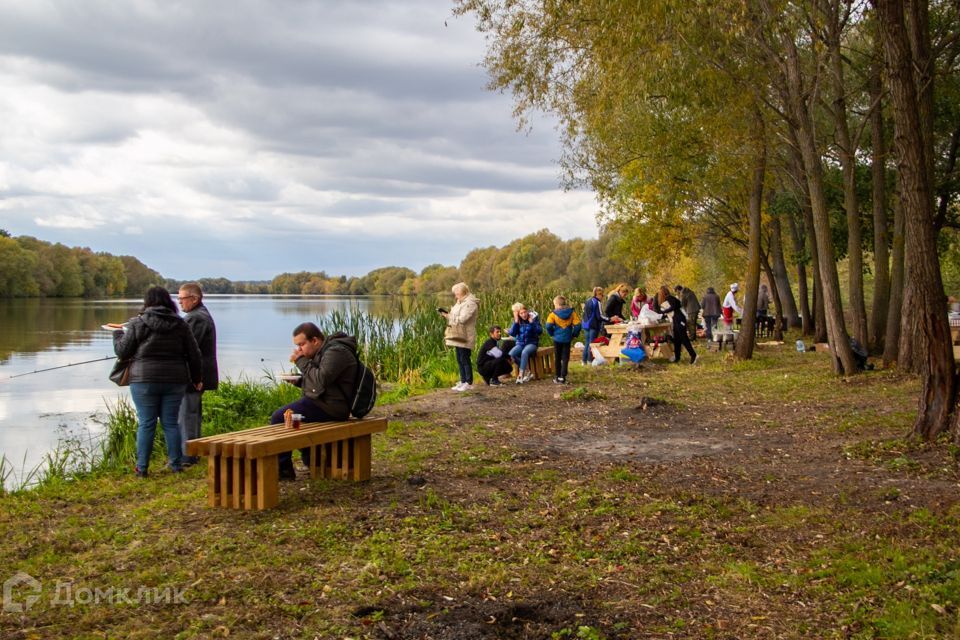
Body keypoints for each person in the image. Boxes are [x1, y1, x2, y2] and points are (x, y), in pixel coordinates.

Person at [113, 286, 202, 477]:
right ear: (168, 302)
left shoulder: (138, 323)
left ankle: (142, 468)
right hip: (175, 380)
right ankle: (176, 464)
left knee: (146, 423)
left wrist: (118, 334)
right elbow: (194, 354)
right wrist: (197, 379)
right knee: (171, 423)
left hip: (144, 380)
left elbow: (122, 351)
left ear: (147, 302)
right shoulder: (180, 324)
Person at [272, 322, 359, 480]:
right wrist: (299, 381)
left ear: (315, 341)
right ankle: (311, 460)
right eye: (297, 346)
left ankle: (283, 470)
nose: (299, 350)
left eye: (302, 344)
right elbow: (321, 383)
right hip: (326, 402)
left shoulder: (336, 352)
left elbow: (320, 380)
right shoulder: (325, 351)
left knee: (279, 417)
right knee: (295, 419)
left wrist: (300, 361)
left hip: (332, 407)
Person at [176, 282, 218, 466]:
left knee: (188, 414)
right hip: (197, 373)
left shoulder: (196, 318)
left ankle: (188, 456)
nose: (180, 303)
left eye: (182, 299)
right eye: (178, 299)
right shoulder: (197, 315)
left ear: (194, 299)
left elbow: (188, 348)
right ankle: (193, 452)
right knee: (190, 413)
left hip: (194, 374)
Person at [440, 282, 479, 392]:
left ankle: (469, 382)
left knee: (465, 358)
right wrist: (447, 315)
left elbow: (463, 319)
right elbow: (455, 316)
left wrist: (449, 316)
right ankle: (463, 381)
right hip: (457, 333)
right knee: (459, 358)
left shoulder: (470, 303)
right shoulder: (459, 302)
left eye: (456, 294)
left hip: (466, 334)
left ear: (462, 293)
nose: (455, 296)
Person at [655, 285, 697, 364]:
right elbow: (673, 309)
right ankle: (677, 357)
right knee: (677, 340)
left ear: (662, 293)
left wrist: (663, 312)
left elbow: (673, 307)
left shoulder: (670, 298)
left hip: (680, 320)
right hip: (677, 320)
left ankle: (693, 355)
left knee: (684, 339)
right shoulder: (670, 299)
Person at [545, 295, 581, 384]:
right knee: (565, 358)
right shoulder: (572, 313)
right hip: (567, 338)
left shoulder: (553, 314)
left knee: (557, 357)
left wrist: (551, 334)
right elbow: (578, 325)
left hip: (557, 338)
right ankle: (563, 376)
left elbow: (548, 326)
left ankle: (557, 376)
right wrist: (574, 335)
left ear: (556, 304)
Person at [508, 302, 542, 384]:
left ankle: (520, 376)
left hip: (532, 343)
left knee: (524, 352)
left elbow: (540, 331)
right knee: (511, 354)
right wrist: (516, 322)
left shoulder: (533, 318)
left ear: (527, 312)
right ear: (518, 314)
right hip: (520, 343)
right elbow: (512, 333)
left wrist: (532, 323)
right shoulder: (518, 321)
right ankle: (527, 371)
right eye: (521, 313)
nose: (523, 315)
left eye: (524, 312)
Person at [581, 286, 605, 364]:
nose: (603, 297)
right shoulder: (597, 302)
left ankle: (583, 361)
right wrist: (609, 319)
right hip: (593, 325)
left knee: (587, 343)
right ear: (599, 294)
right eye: (602, 295)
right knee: (592, 344)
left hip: (585, 324)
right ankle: (590, 360)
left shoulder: (588, 301)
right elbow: (600, 316)